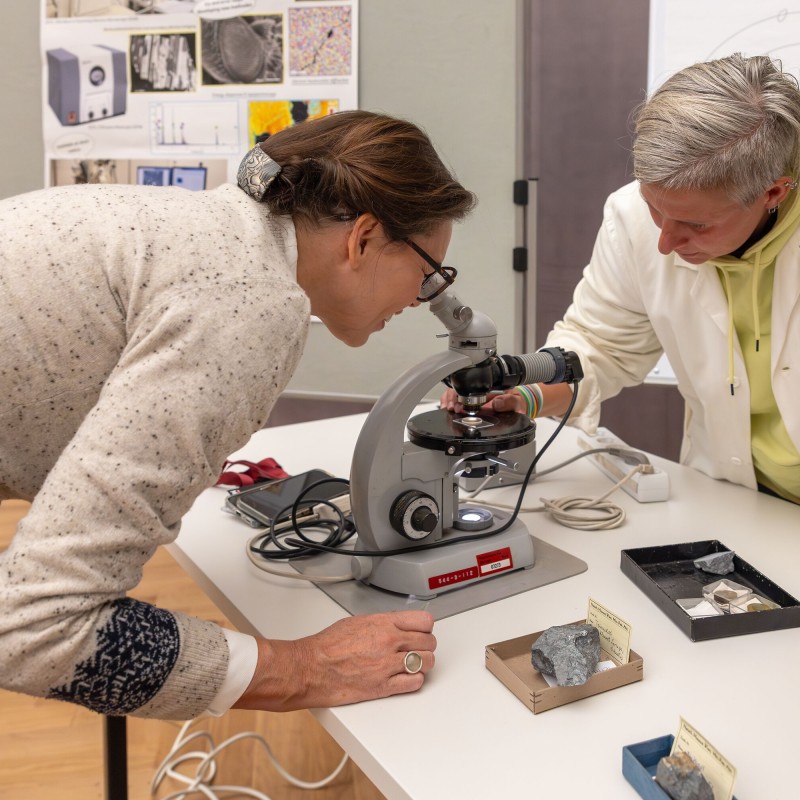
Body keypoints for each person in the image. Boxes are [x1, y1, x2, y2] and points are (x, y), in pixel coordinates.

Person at [0, 110, 476, 719]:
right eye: (427, 274)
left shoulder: (205, 229)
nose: (420, 298)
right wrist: (303, 670)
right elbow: (37, 632)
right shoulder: (250, 304)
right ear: (361, 239)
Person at [442, 53, 800, 504]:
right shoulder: (631, 216)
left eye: (696, 226)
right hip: (733, 493)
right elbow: (600, 347)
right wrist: (522, 396)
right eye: (656, 210)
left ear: (772, 191)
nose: (665, 243)